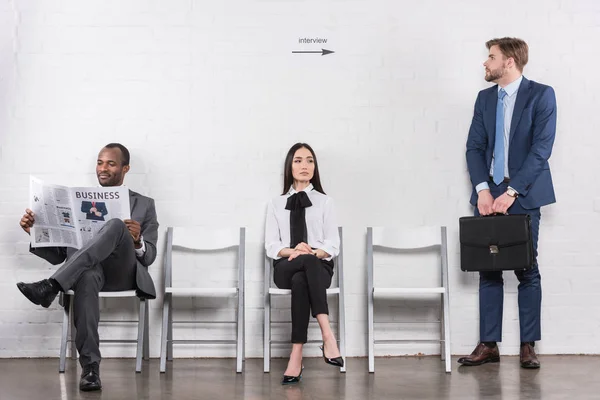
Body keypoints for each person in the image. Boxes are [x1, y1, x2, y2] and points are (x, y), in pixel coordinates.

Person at [17, 143, 159, 391]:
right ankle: (90, 370)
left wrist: (137, 241)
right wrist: (35, 232)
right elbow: (60, 256)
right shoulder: (77, 200)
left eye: (111, 163)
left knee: (115, 225)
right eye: (100, 162)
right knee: (86, 275)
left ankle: (51, 286)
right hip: (89, 273)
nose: (103, 168)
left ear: (125, 168)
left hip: (122, 273)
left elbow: (149, 258)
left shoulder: (144, 204)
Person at [461, 38, 557, 369]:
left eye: (491, 57)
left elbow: (541, 149)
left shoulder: (541, 95)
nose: (485, 63)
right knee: (488, 269)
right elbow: (474, 147)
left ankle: (528, 346)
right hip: (489, 195)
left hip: (525, 194)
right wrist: (484, 189)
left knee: (527, 268)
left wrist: (511, 192)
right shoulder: (484, 99)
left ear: (510, 62)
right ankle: (488, 344)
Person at [265, 142, 343, 384]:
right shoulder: (275, 204)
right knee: (300, 267)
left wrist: (311, 252)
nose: (305, 165)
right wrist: (295, 251)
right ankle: (328, 336)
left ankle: (295, 357)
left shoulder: (325, 202)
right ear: (290, 165)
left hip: (318, 268)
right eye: (298, 160)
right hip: (285, 266)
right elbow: (271, 246)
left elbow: (333, 245)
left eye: (310, 160)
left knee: (303, 278)